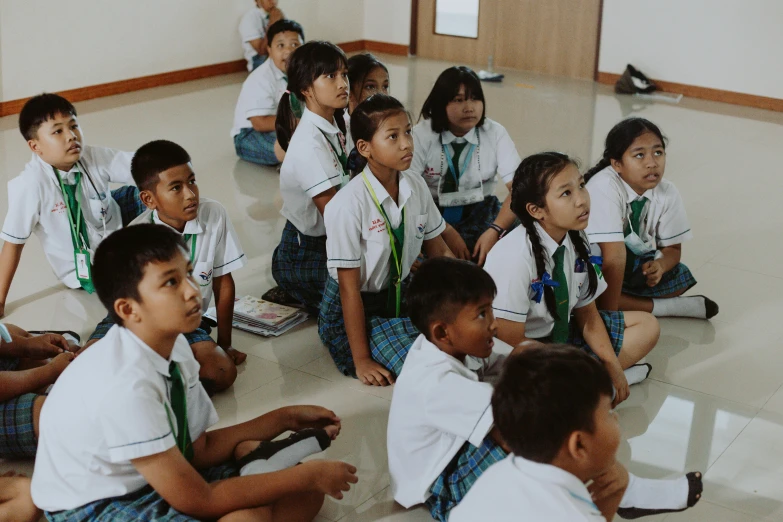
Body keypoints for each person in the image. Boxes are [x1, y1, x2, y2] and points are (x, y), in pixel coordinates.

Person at [31, 224, 358, 521]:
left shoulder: (175, 347)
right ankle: (253, 462)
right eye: (171, 282)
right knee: (256, 512)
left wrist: (284, 418)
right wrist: (308, 474)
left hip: (152, 475)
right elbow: (201, 501)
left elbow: (198, 449)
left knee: (305, 497)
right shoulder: (125, 387)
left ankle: (254, 462)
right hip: (94, 505)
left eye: (188, 274)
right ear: (128, 309)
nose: (191, 291)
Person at [389, 258, 703, 522]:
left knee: (531, 367)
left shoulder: (451, 345)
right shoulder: (436, 383)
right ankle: (621, 492)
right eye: (482, 314)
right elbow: (513, 431)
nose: (494, 324)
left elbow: (513, 363)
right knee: (550, 448)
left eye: (491, 310)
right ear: (442, 331)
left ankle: (617, 485)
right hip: (442, 478)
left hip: (459, 443)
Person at [484, 152, 660, 407]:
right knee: (543, 388)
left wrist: (613, 366)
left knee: (648, 326)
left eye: (581, 186)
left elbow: (588, 315)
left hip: (559, 336)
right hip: (522, 351)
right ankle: (590, 386)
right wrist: (568, 360)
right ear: (536, 210)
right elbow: (510, 339)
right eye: (566, 193)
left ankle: (591, 383)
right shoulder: (514, 256)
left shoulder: (575, 237)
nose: (582, 200)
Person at [82, 140, 245, 394]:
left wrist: (226, 343)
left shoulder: (214, 214)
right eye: (176, 188)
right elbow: (131, 309)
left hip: (187, 321)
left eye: (192, 181)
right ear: (149, 199)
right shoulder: (138, 234)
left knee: (222, 372)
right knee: (85, 364)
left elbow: (223, 281)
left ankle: (155, 389)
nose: (190, 194)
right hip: (136, 322)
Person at [319, 94, 452, 386]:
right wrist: (362, 360)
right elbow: (348, 290)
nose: (406, 143)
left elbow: (438, 251)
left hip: (402, 295)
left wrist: (465, 297)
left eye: (407, 132)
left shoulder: (414, 184)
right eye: (392, 136)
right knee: (426, 373)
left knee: (459, 345)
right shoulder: (347, 205)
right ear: (365, 148)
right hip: (359, 309)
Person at [0, 94, 143, 316]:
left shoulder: (91, 155)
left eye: (74, 126)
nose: (71, 136)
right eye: (58, 131)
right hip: (88, 266)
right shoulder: (29, 185)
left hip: (111, 222)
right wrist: (0, 299)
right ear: (35, 146)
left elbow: (142, 167)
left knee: (154, 190)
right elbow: (13, 244)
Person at [450, 345, 625, 521]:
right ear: (578, 444)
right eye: (609, 413)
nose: (616, 418)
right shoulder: (572, 515)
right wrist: (611, 499)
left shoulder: (499, 473)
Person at [584, 118, 718, 319]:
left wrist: (660, 266)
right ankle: (664, 308)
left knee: (679, 273)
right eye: (639, 155)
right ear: (617, 164)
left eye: (658, 153)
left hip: (627, 263)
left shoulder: (667, 192)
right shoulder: (604, 187)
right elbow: (613, 257)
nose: (652, 163)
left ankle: (627, 302)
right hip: (598, 262)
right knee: (587, 288)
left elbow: (672, 249)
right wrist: (610, 317)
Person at [407, 66, 520, 266]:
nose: (469, 107)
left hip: (481, 210)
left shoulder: (495, 133)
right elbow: (409, 194)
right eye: (459, 100)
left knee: (527, 230)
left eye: (475, 98)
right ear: (441, 103)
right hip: (430, 211)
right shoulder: (421, 135)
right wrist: (444, 230)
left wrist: (495, 230)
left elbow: (519, 190)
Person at [269, 41, 351, 310]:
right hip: (305, 252)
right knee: (367, 293)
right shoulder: (309, 145)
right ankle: (294, 286)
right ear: (305, 89)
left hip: (331, 238)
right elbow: (334, 214)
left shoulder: (337, 123)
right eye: (330, 76)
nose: (342, 83)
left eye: (344, 74)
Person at [232, 19, 304, 166]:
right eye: (281, 45)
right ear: (269, 50)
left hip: (286, 127)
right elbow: (259, 123)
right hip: (250, 133)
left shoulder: (303, 74)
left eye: (295, 44)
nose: (288, 51)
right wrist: (300, 123)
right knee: (295, 147)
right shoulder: (260, 78)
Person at [239, 0, 284, 72]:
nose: (273, 1)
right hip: (259, 58)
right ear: (257, 1)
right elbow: (262, 51)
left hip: (278, 53)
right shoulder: (249, 18)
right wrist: (272, 24)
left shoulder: (279, 14)